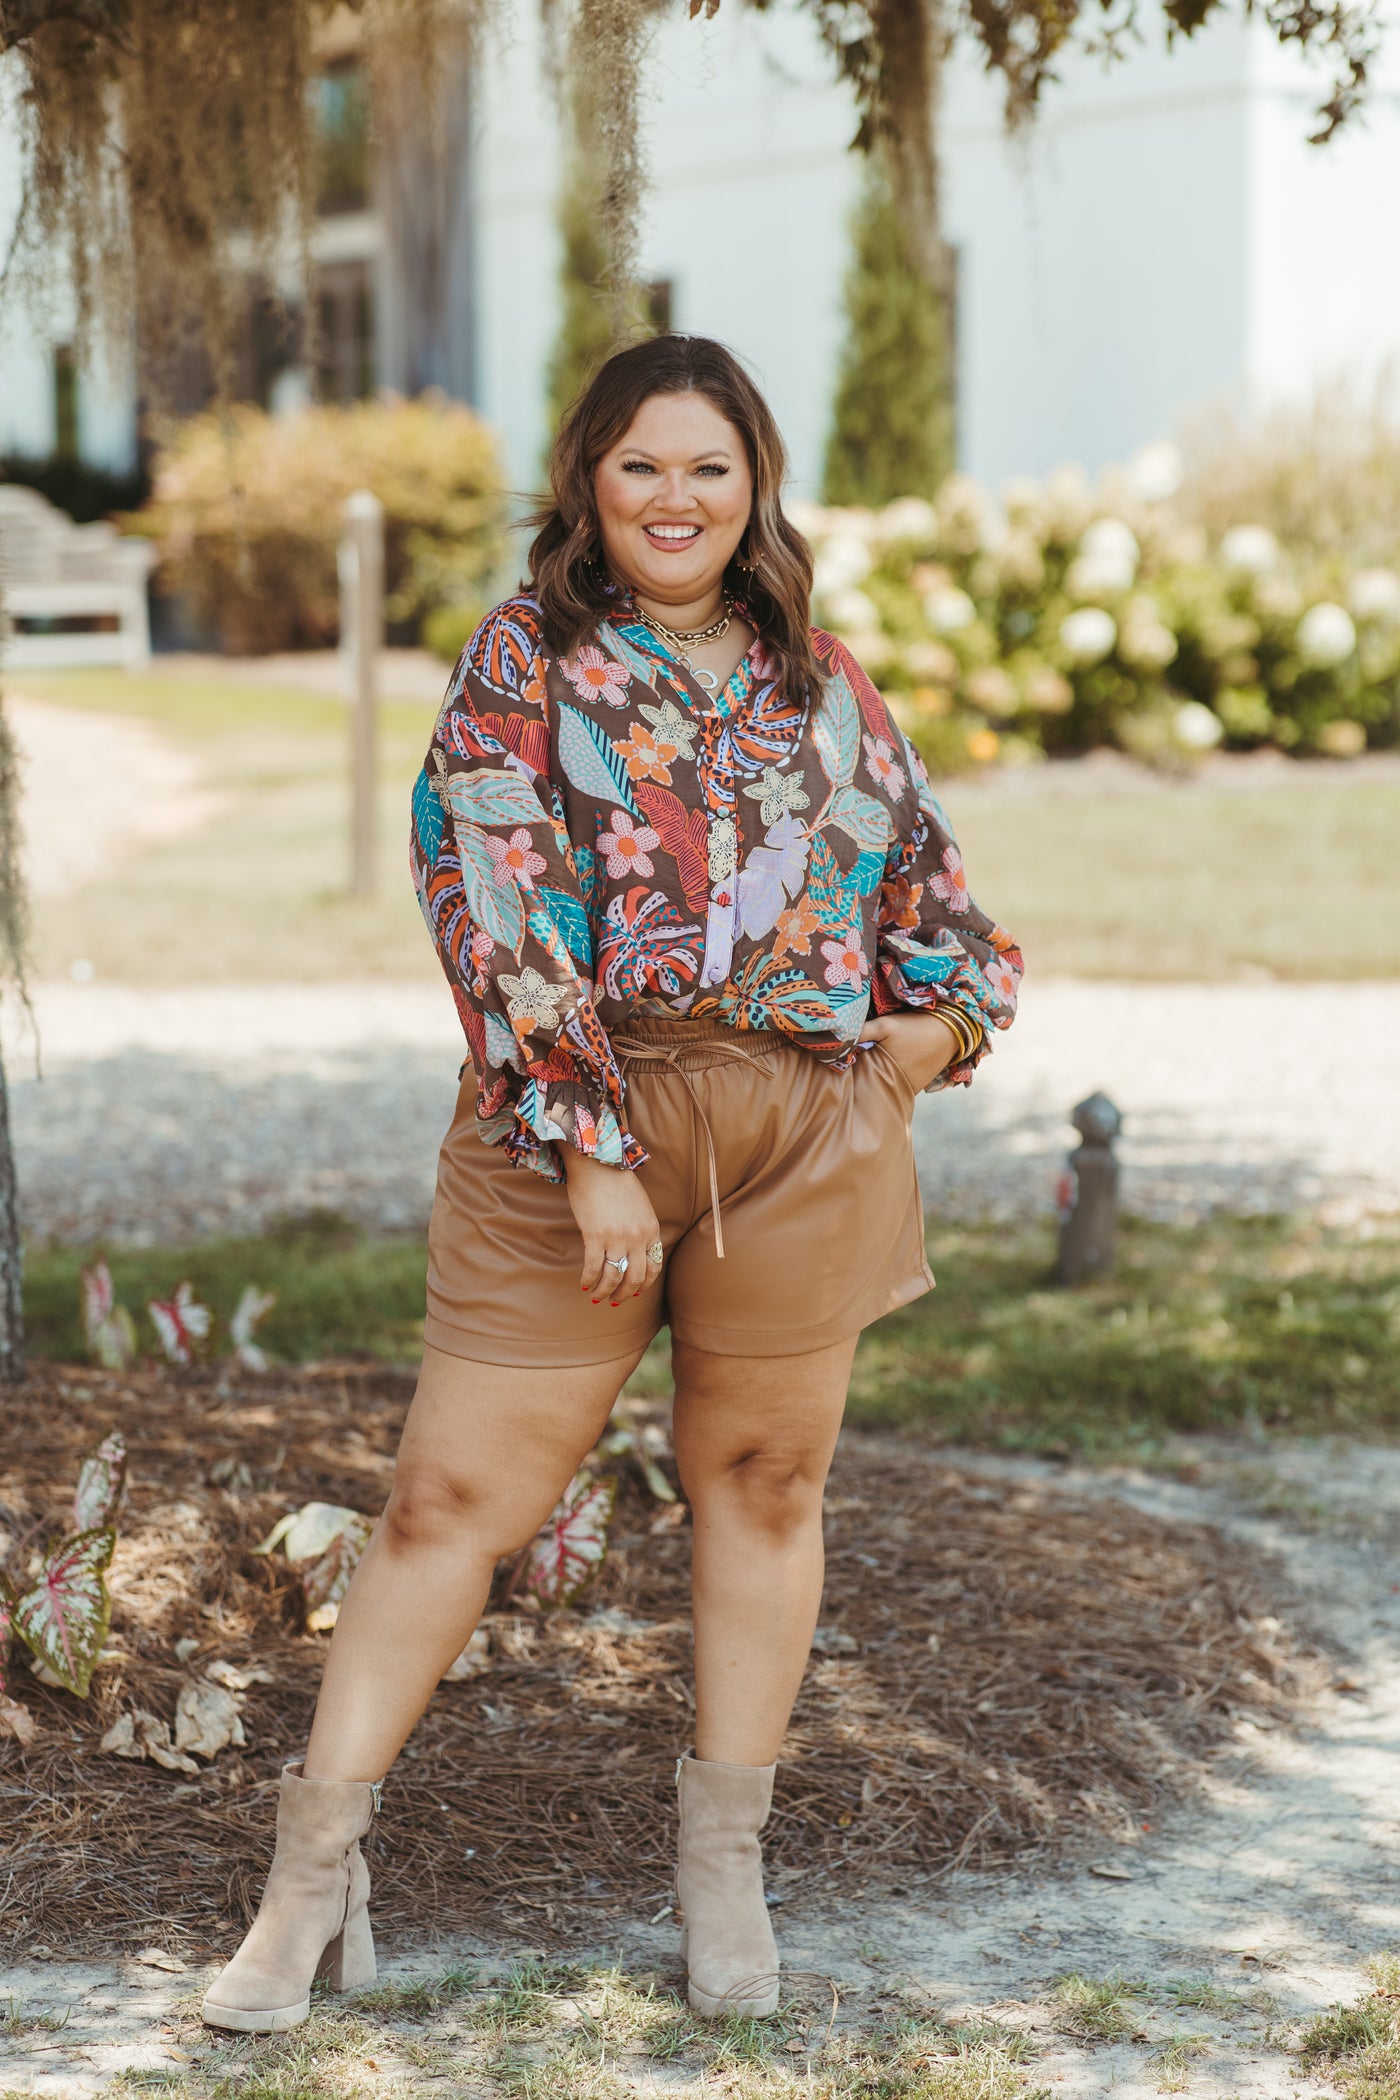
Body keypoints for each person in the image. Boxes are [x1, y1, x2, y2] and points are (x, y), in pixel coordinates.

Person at [202, 334, 1022, 2035]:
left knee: (765, 1487)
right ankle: (308, 1880)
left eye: (710, 467)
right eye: (643, 463)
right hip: (563, 1130)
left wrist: (900, 1063)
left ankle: (724, 1870)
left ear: (756, 486)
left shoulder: (825, 681)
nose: (676, 497)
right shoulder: (528, 661)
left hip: (803, 1136)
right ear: (589, 478)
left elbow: (949, 930)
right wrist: (591, 1151)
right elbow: (490, 905)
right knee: (451, 1507)